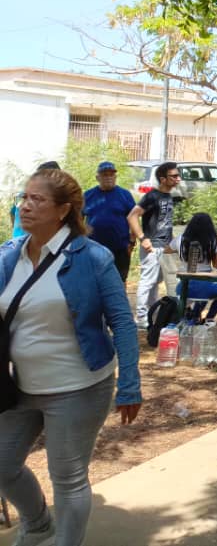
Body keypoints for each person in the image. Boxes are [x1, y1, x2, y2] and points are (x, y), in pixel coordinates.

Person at [0, 168, 141, 546]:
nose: (25, 206)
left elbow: (122, 323)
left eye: (37, 200)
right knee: (3, 464)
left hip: (77, 387)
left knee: (67, 476)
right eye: (23, 198)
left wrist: (130, 384)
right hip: (19, 386)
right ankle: (38, 524)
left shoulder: (93, 257)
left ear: (63, 211)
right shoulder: (9, 256)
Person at [127, 161, 182, 329]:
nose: (178, 179)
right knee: (147, 281)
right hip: (152, 246)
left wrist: (171, 243)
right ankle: (142, 317)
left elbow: (164, 222)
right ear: (163, 179)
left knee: (156, 281)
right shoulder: (152, 196)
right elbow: (132, 216)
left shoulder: (168, 197)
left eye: (178, 176)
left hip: (164, 246)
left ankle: (153, 314)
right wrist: (143, 238)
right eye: (174, 176)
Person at [171, 212, 217, 322]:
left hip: (183, 288)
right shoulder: (212, 240)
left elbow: (167, 249)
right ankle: (209, 318)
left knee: (202, 291)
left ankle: (193, 318)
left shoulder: (181, 239)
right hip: (204, 288)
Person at [82, 161, 136, 281]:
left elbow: (134, 218)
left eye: (111, 175)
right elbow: (77, 218)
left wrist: (132, 242)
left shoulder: (124, 195)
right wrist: (81, 238)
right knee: (94, 281)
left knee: (120, 281)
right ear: (97, 177)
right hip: (93, 248)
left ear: (115, 177)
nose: (108, 178)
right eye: (104, 175)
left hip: (120, 247)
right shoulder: (88, 195)